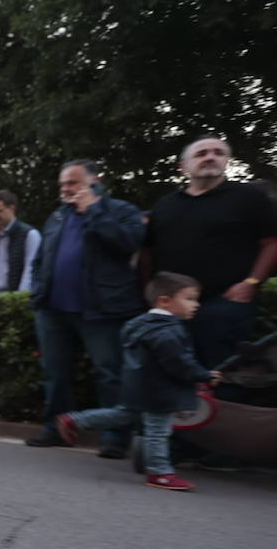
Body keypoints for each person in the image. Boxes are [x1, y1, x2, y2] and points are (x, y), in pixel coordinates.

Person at [55, 273, 221, 491]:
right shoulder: (169, 331)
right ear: (165, 300)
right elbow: (179, 363)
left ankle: (74, 420)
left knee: (121, 414)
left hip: (136, 385)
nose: (196, 305)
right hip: (159, 391)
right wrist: (204, 375)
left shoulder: (138, 324)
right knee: (158, 432)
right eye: (189, 299)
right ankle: (159, 472)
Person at [25, 160, 145, 457]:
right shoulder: (56, 217)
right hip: (53, 309)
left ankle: (115, 438)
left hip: (101, 309)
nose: (66, 189)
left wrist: (92, 210)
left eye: (73, 182)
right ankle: (56, 429)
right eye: (63, 184)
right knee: (55, 372)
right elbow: (41, 258)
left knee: (109, 373)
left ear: (95, 181)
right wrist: (38, 290)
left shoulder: (122, 211)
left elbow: (128, 243)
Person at [144, 138, 277, 370]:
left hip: (226, 302)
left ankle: (226, 407)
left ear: (226, 161)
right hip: (171, 306)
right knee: (173, 372)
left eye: (218, 152)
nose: (210, 157)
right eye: (201, 153)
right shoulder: (165, 205)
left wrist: (252, 283)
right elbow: (148, 250)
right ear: (183, 167)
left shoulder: (249, 197)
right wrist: (147, 291)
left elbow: (272, 242)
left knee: (220, 373)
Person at [0, 190, 41, 295]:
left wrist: (21, 298)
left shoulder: (30, 235)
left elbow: (30, 269)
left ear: (12, 208)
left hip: (14, 298)